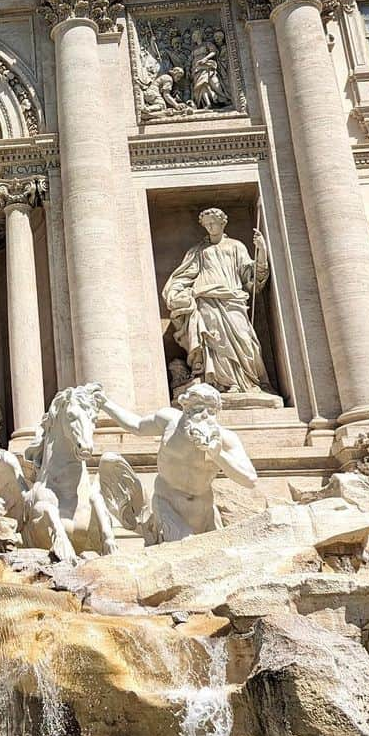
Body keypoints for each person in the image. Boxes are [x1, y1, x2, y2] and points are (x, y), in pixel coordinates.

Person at [95, 383, 258, 541]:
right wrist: (105, 403)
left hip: (204, 511)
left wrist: (218, 455)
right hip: (167, 504)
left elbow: (250, 479)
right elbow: (137, 426)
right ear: (185, 407)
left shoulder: (226, 439)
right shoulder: (168, 420)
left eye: (211, 410)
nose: (205, 415)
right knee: (184, 551)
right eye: (199, 409)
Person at [162, 208, 272, 394]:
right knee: (214, 340)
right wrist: (176, 292)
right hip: (205, 298)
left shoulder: (236, 246)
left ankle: (247, 381)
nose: (211, 226)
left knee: (244, 337)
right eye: (207, 224)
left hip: (232, 298)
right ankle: (222, 383)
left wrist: (261, 250)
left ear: (223, 223)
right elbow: (184, 275)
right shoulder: (198, 252)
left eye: (214, 222)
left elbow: (252, 275)